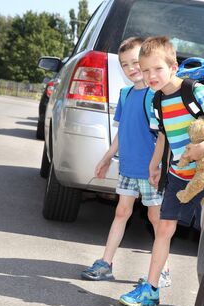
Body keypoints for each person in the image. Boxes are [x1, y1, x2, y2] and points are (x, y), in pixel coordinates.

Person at [119, 36, 204, 306]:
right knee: (163, 228)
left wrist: (201, 147)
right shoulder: (157, 100)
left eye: (157, 69)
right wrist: (154, 165)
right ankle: (151, 289)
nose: (150, 75)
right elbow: (162, 136)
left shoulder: (193, 90)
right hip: (178, 176)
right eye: (145, 70)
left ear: (173, 67)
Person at [81, 37, 170, 287]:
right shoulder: (125, 94)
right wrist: (108, 156)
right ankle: (105, 263)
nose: (131, 68)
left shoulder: (155, 96)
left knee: (157, 220)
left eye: (135, 62)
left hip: (151, 170)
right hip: (129, 167)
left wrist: (160, 165)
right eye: (124, 64)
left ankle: (162, 270)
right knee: (121, 212)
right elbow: (123, 131)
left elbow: (164, 134)